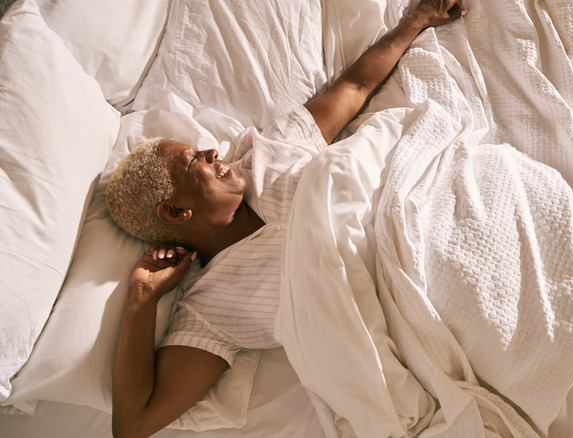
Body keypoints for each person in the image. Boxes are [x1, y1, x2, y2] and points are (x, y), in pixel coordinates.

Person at [106, 1, 467, 437]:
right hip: (415, 309)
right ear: (177, 211)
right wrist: (142, 298)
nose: (211, 152)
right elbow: (133, 424)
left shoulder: (271, 152)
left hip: (428, 213)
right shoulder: (211, 309)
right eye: (192, 161)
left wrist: (417, 20)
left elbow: (353, 87)